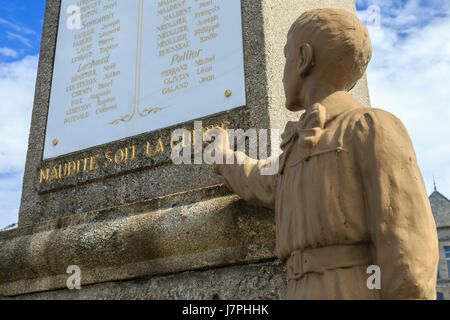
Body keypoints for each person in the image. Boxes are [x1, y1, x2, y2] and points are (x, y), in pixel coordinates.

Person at [204, 8, 439, 299]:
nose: (283, 70)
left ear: (303, 58)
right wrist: (224, 157)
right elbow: (264, 182)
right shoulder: (297, 146)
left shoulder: (371, 127)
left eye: (286, 56)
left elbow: (408, 249)